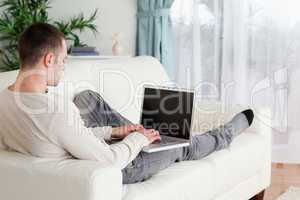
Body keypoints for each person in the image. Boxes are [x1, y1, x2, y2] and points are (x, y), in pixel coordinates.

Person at [0, 23, 254, 184]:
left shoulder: (4, 97)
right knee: (178, 144)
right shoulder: (57, 111)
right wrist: (139, 139)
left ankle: (149, 129)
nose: (64, 68)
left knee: (85, 97)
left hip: (81, 146)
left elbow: (63, 133)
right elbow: (109, 159)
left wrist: (115, 131)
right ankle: (226, 133)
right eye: (64, 61)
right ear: (49, 59)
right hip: (117, 165)